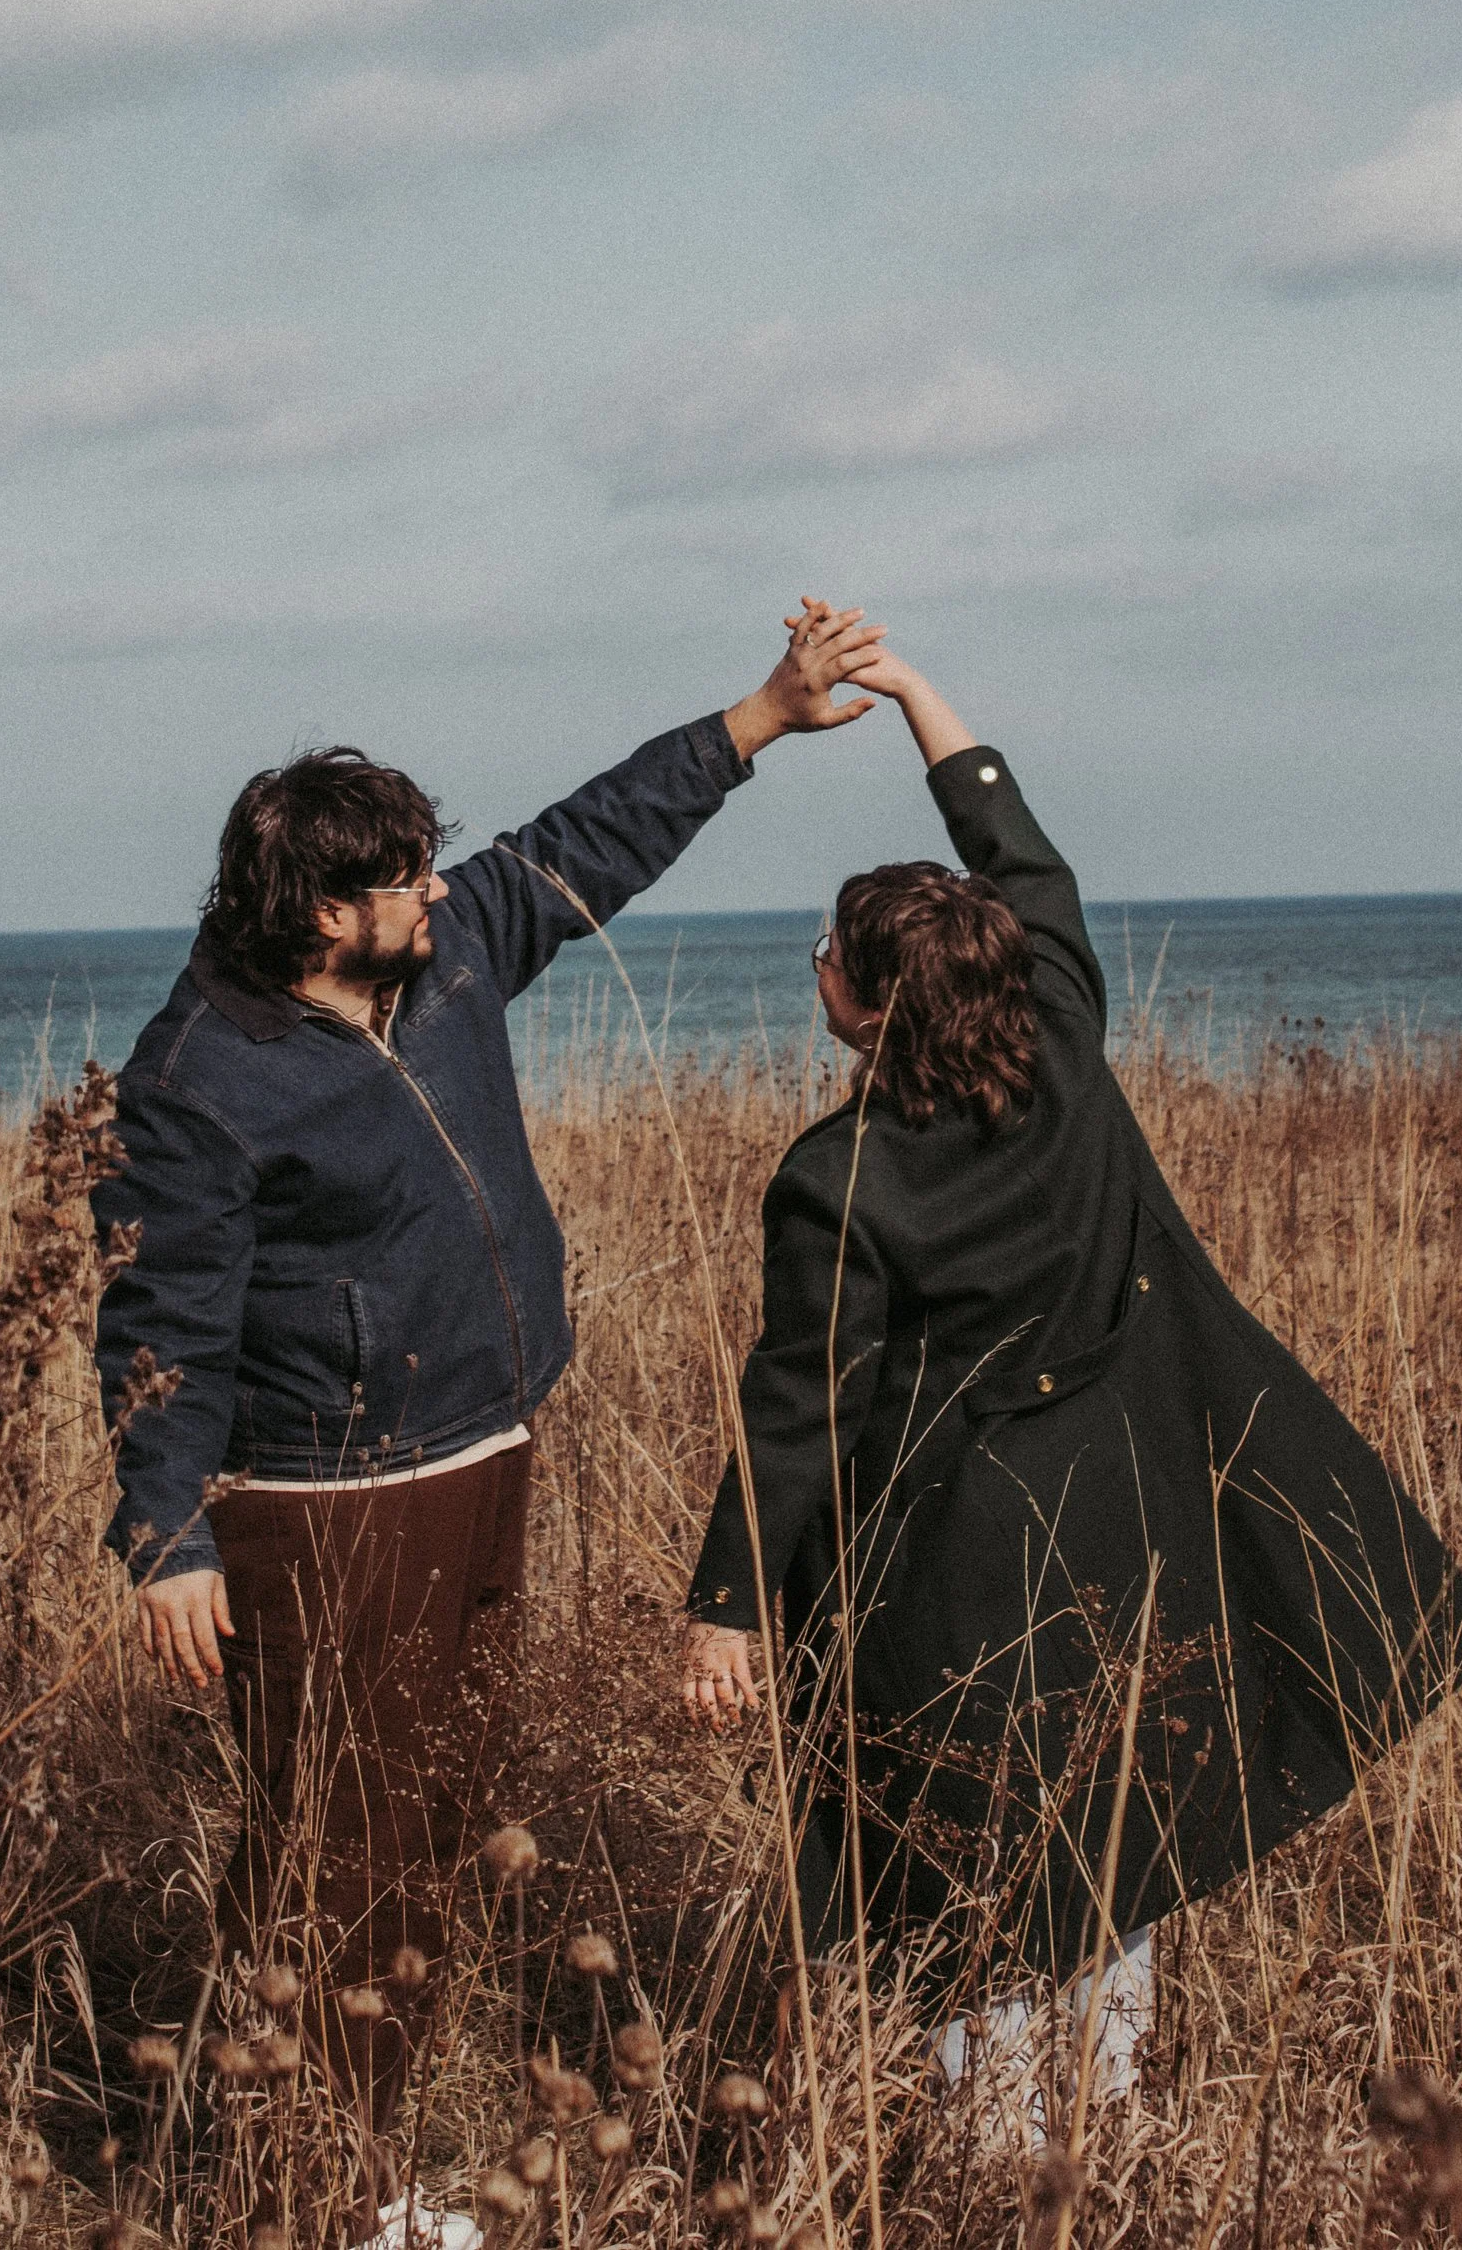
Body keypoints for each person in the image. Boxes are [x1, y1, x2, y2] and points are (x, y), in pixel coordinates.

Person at [93, 607, 885, 2179]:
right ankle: (301, 2182)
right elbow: (157, 1319)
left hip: (487, 1443)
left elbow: (588, 842)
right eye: (401, 878)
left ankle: (356, 2151)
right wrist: (169, 1529)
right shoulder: (197, 1079)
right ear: (326, 913)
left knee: (441, 1811)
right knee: (338, 1848)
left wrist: (762, 714)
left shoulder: (444, 958)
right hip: (332, 1495)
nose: (440, 890)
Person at [680, 619, 1462, 2143]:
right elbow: (1025, 859)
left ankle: (1003, 2175)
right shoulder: (1064, 1041)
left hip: (961, 1569)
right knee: (1110, 1844)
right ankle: (1103, 2140)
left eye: (835, 957)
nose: (815, 964)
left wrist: (731, 1597)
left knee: (983, 1881)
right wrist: (917, 691)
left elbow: (802, 1401)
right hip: (1130, 1527)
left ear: (871, 1003)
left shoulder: (841, 1175)